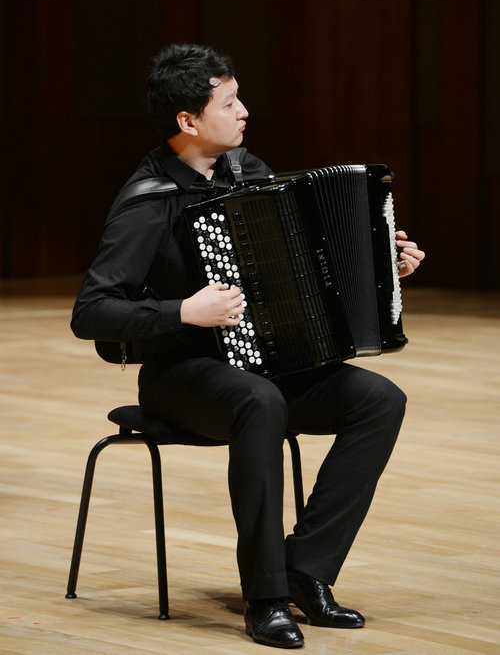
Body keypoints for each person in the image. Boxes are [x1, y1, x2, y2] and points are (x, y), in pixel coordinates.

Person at [71, 43, 425, 649]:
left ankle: (305, 569)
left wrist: (382, 266)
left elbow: (300, 266)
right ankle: (264, 598)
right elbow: (91, 312)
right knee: (259, 402)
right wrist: (184, 310)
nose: (244, 112)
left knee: (378, 399)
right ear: (188, 120)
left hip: (262, 363)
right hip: (181, 377)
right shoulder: (148, 200)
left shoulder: (248, 173)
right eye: (230, 103)